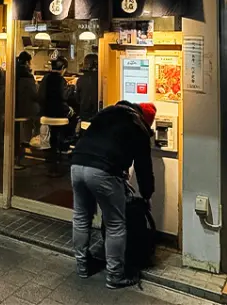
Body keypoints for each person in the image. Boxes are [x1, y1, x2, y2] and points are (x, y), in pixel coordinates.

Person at [70, 101, 156, 289]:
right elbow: (143, 168)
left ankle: (82, 266)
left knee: (81, 217)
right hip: (103, 171)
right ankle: (115, 275)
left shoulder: (106, 114)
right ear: (146, 120)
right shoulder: (138, 127)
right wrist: (147, 194)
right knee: (115, 223)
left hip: (77, 163)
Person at [14, 52, 38, 170]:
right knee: (38, 115)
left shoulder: (11, 73)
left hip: (11, 109)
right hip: (24, 110)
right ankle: (32, 143)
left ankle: (21, 148)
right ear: (27, 62)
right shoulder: (27, 77)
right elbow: (34, 95)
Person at [76, 54, 99, 121]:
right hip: (98, 116)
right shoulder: (102, 78)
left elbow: (77, 100)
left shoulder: (81, 79)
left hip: (84, 117)